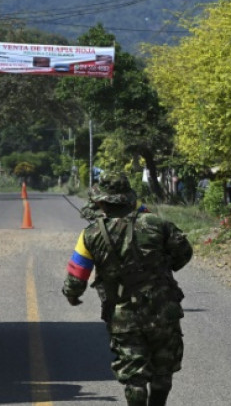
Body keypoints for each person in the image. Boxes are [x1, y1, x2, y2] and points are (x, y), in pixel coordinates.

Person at [63, 174, 193, 406]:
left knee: (135, 377)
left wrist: (73, 296)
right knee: (163, 370)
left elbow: (76, 278)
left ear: (101, 202)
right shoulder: (157, 224)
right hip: (163, 310)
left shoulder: (90, 234)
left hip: (123, 315)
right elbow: (184, 253)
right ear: (129, 199)